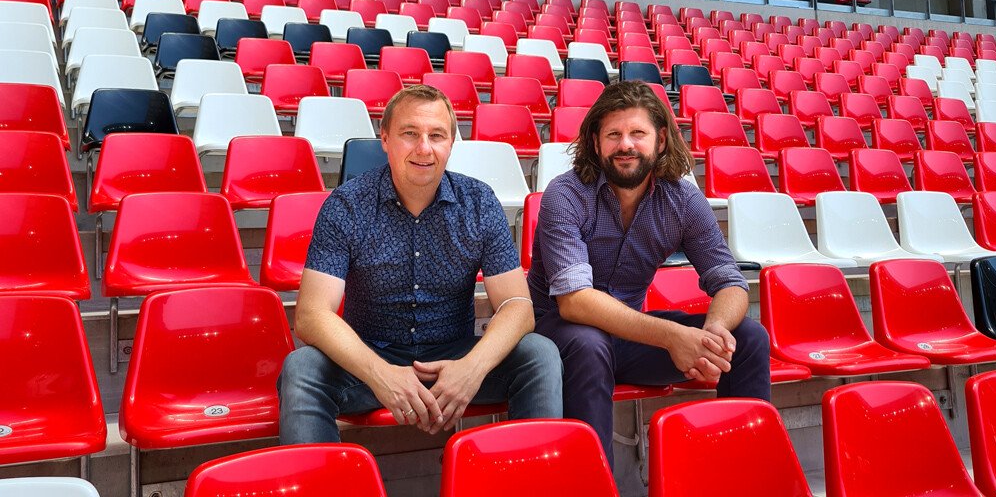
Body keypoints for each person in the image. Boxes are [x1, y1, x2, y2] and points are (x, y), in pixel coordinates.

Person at [279, 85, 563, 443]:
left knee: (539, 354)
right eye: (410, 133)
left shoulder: (479, 202)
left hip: (455, 357)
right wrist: (380, 374)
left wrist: (471, 370)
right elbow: (311, 315)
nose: (424, 148)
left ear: (451, 144)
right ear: (384, 138)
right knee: (302, 369)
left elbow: (518, 307)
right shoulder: (347, 205)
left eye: (437, 136)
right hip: (369, 358)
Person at [527, 80, 770, 465]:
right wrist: (674, 336)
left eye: (637, 133)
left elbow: (729, 280)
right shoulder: (566, 194)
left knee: (748, 336)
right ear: (595, 143)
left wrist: (713, 333)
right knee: (590, 344)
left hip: (629, 335)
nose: (626, 145)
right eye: (614, 134)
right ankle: (592, 484)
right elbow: (574, 302)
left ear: (660, 141)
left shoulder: (683, 198)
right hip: (556, 333)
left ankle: (745, 473)